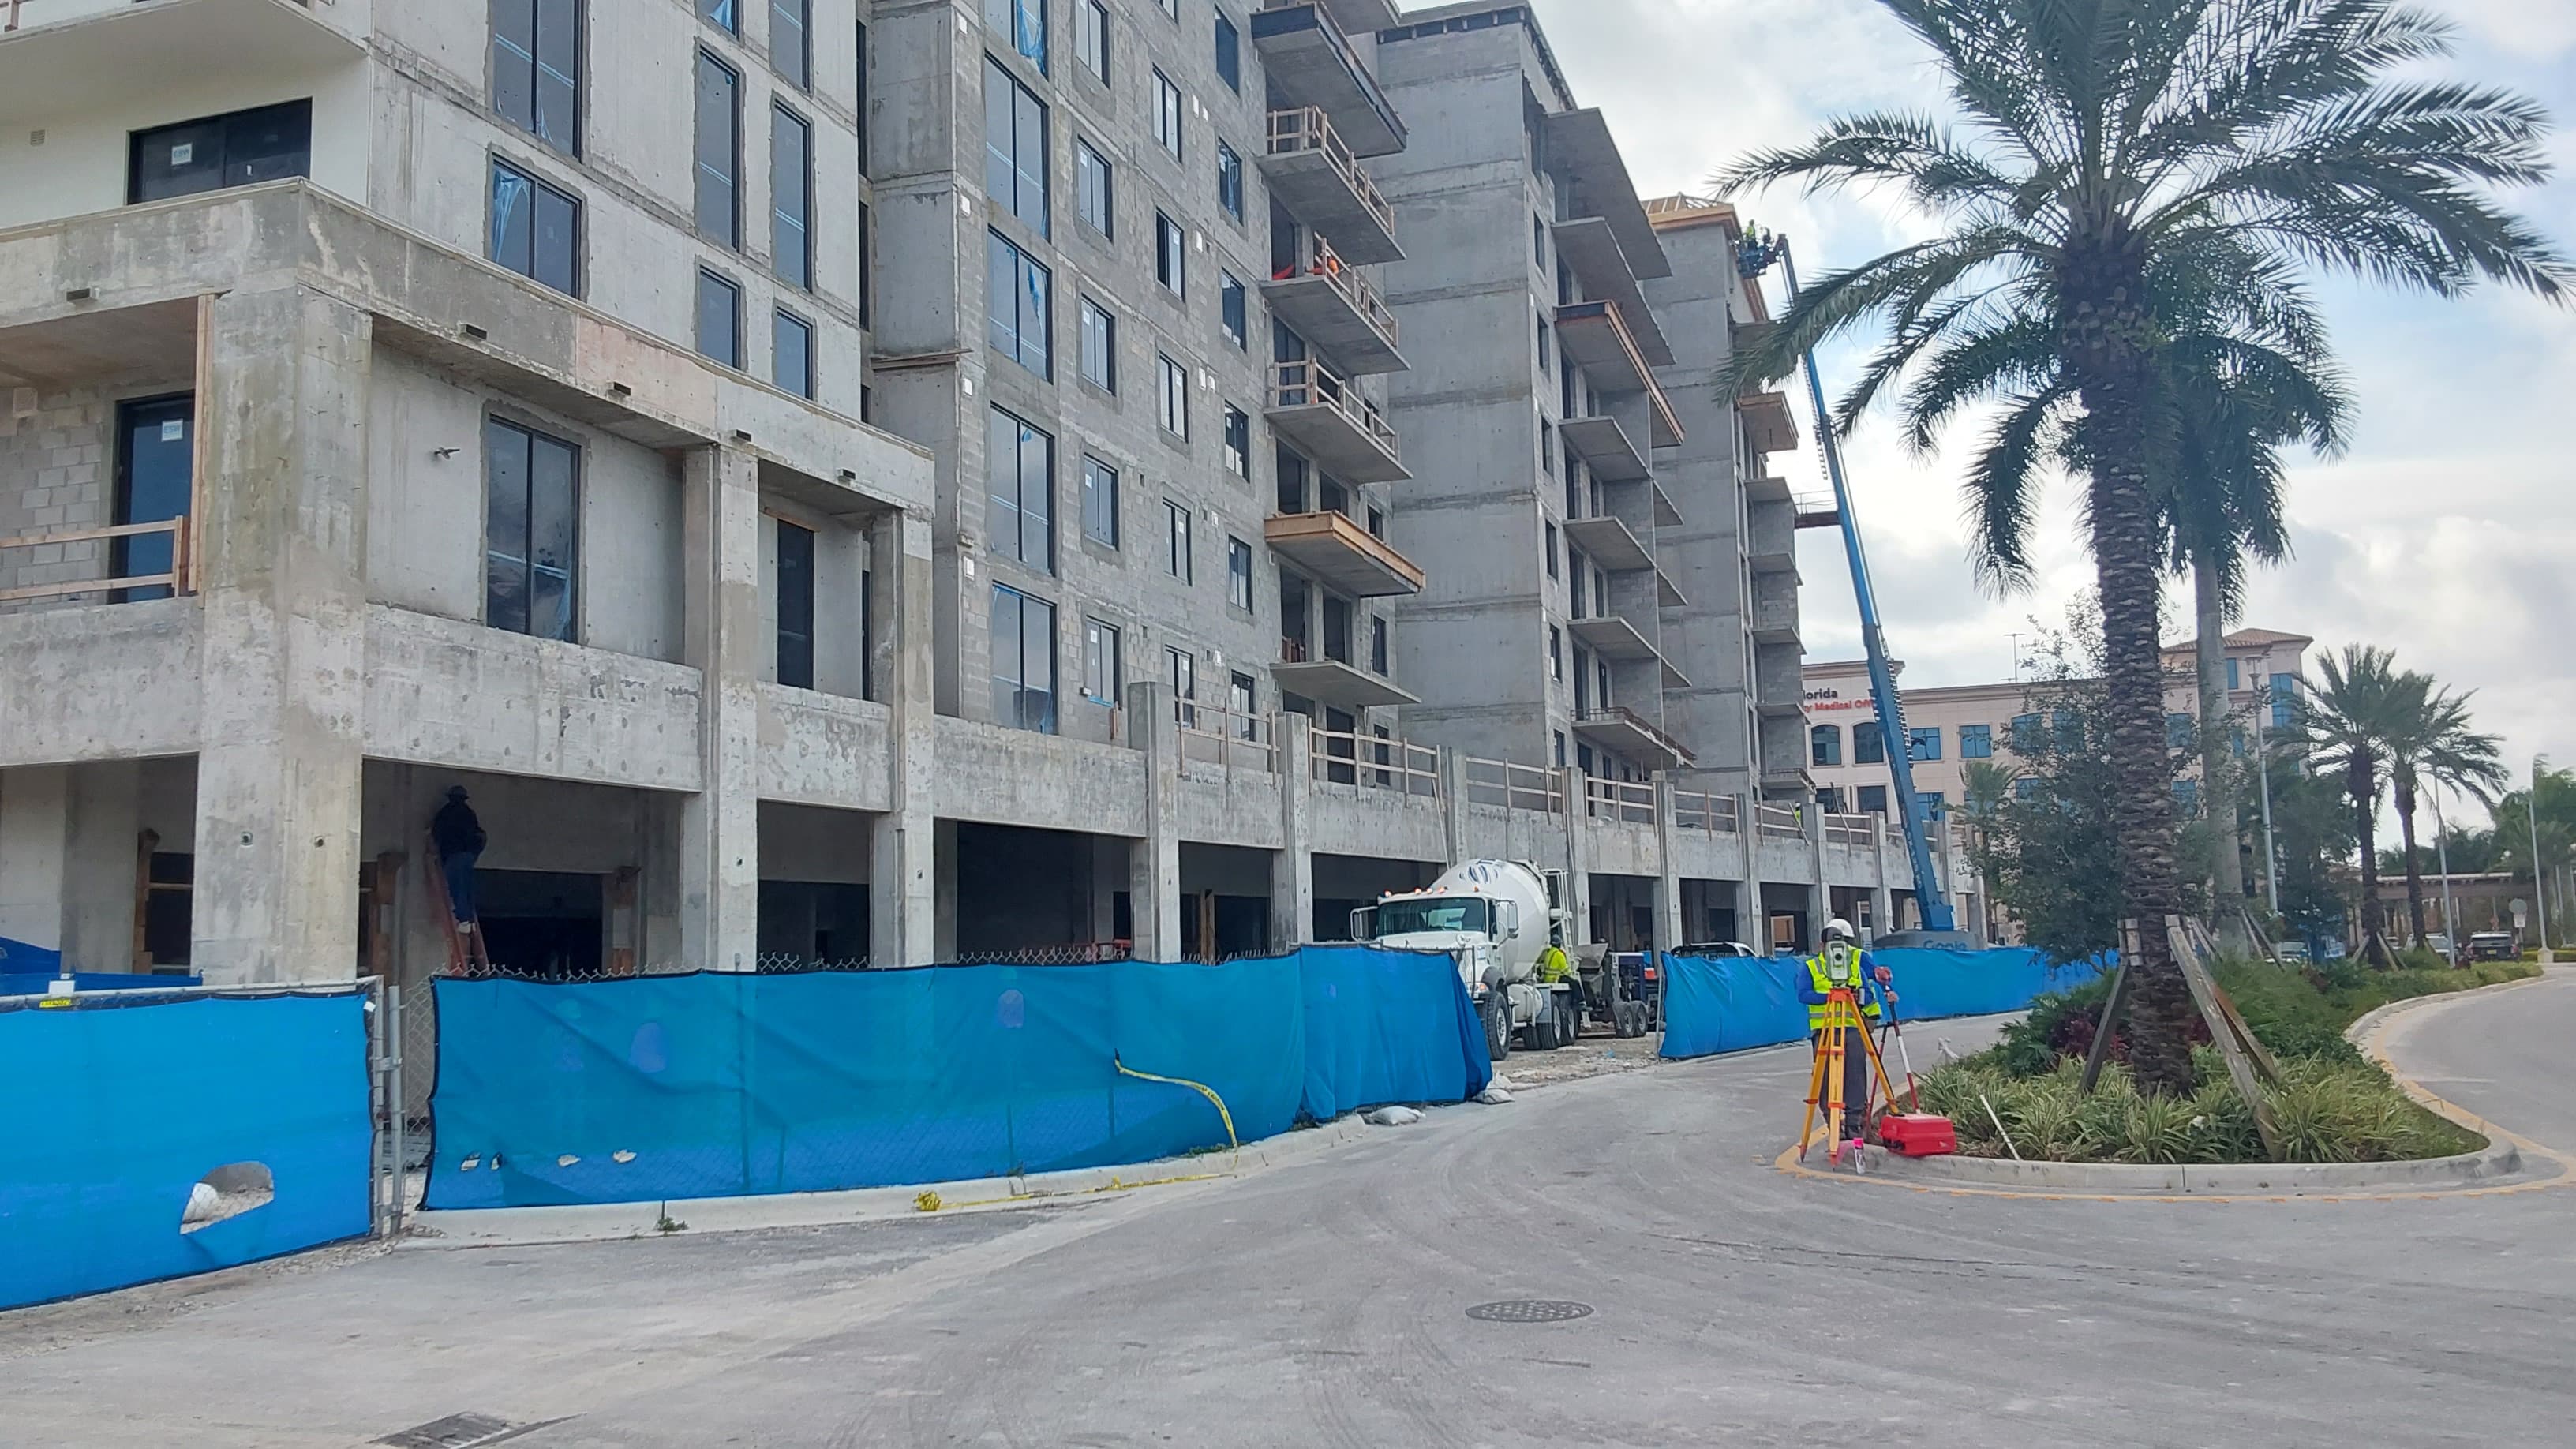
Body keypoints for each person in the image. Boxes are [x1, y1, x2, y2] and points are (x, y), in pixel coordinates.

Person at [1798, 919, 1893, 1139]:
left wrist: (1859, 995)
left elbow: (1867, 992)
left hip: (1851, 1027)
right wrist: (1828, 997)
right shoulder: (1811, 967)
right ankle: (1832, 1121)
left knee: (1856, 1074)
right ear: (1822, 946)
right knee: (1825, 1077)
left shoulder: (1854, 964)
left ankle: (1854, 1123)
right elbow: (1803, 995)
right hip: (1824, 1029)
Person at [432, 785, 487, 932]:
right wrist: (475, 853)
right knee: (467, 887)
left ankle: (463, 920)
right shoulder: (470, 814)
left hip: (453, 855)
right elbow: (480, 836)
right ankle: (470, 921)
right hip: (468, 856)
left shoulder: (446, 813)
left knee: (457, 887)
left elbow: (436, 833)